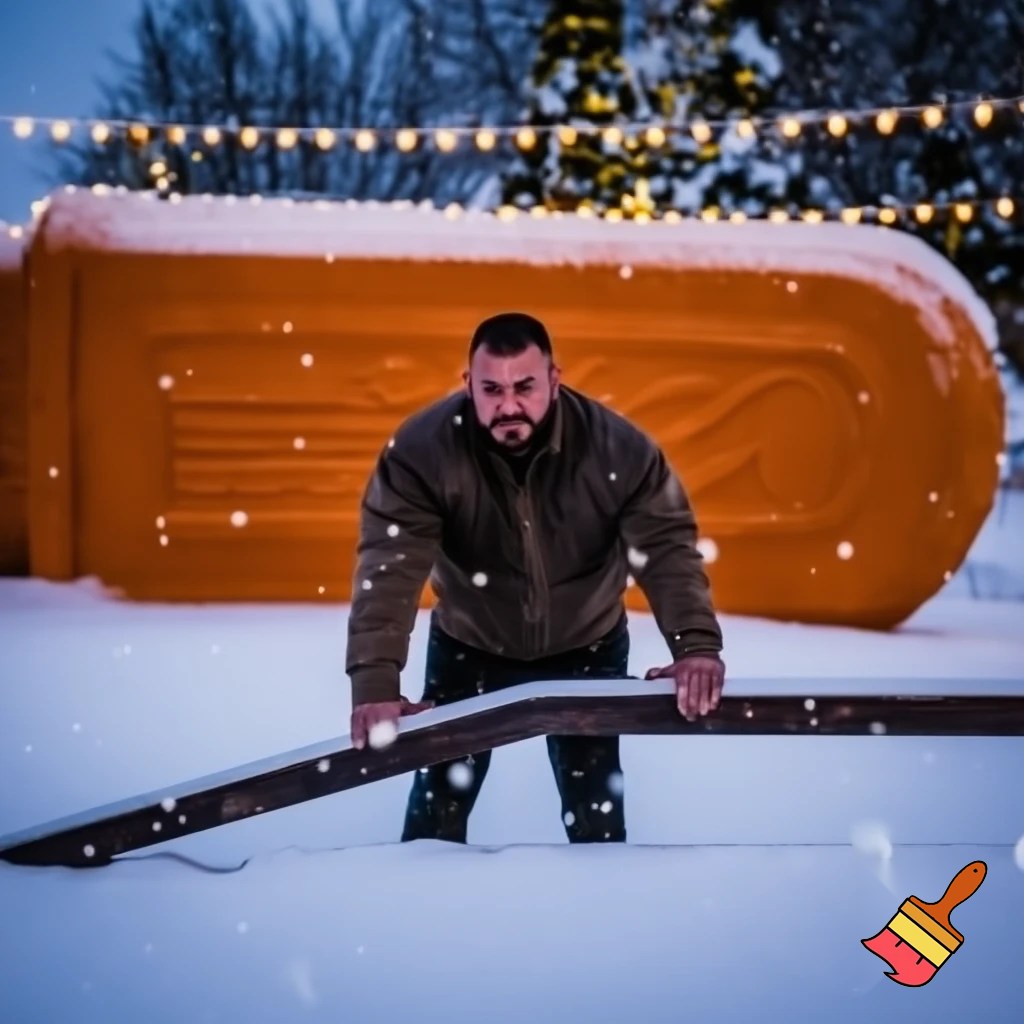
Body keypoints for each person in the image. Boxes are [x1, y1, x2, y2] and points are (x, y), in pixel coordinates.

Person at [345, 312, 725, 844]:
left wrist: (695, 647)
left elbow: (666, 550)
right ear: (468, 386)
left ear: (554, 379)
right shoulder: (422, 452)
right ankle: (422, 909)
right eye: (491, 389)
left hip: (586, 647)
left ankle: (603, 912)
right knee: (436, 815)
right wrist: (375, 684)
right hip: (469, 645)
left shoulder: (617, 450)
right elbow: (390, 567)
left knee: (596, 818)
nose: (508, 406)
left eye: (525, 386)